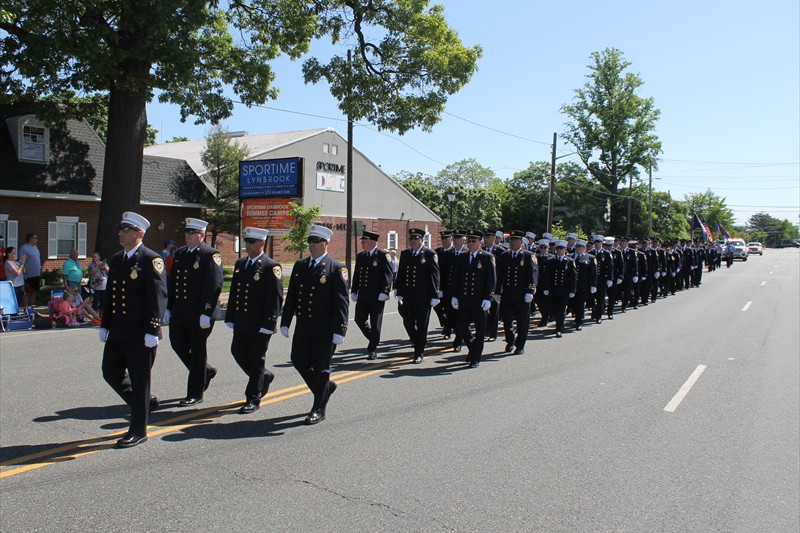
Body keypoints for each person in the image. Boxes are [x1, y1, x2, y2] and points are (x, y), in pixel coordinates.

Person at [99, 212, 167, 448]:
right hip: (118, 331)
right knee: (110, 372)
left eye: (125, 229)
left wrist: (153, 329)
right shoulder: (117, 259)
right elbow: (111, 295)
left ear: (138, 234)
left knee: (140, 381)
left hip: (141, 334)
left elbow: (158, 297)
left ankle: (139, 430)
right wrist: (105, 323)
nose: (120, 233)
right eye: (120, 229)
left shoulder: (151, 259)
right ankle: (144, 403)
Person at [280, 225, 349, 425]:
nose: (312, 245)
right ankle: (325, 389)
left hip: (325, 329)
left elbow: (341, 301)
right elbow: (292, 295)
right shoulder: (300, 265)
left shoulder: (335, 268)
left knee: (320, 368)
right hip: (304, 325)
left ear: (326, 243)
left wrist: (340, 329)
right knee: (298, 360)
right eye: (310, 241)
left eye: (317, 241)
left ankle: (319, 408)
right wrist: (286, 321)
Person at [164, 218, 223, 407]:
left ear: (201, 235)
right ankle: (205, 371)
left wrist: (207, 311)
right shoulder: (180, 254)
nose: (188, 236)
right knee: (177, 344)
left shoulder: (210, 254)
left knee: (198, 352)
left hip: (200, 314)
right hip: (180, 311)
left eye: (192, 233)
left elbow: (214, 285)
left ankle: (195, 393)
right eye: (186, 233)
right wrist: (168, 306)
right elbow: (173, 282)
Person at [225, 227, 283, 414]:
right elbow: (234, 292)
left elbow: (275, 297)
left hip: (260, 324)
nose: (247, 245)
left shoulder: (270, 266)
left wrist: (270, 323)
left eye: (251, 242)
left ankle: (253, 397)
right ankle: (263, 377)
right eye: (246, 241)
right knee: (237, 352)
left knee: (257, 360)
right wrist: (231, 316)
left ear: (261, 243)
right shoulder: (241, 264)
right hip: (242, 320)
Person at [450, 230, 496, 368]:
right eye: (469, 241)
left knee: (480, 330)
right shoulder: (462, 257)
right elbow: (456, 278)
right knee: (462, 327)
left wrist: (489, 297)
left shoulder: (487, 257)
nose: (471, 243)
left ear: (480, 243)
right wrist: (454, 295)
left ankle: (475, 357)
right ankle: (473, 348)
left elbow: (491, 280)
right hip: (464, 299)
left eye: (474, 241)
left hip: (479, 301)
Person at [394, 228, 440, 363]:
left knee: (422, 325)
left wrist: (435, 294)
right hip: (408, 295)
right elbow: (401, 272)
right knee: (407, 321)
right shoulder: (405, 253)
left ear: (421, 240)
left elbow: (435, 276)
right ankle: (418, 340)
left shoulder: (429, 254)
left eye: (415, 239)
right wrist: (397, 288)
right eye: (411, 239)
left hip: (423, 297)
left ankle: (418, 353)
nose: (412, 241)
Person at [350, 230, 393, 360]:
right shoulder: (361, 256)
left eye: (364, 241)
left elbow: (388, 274)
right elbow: (357, 274)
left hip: (377, 296)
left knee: (376, 323)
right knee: (359, 319)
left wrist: (385, 291)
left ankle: (372, 349)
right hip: (363, 295)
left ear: (371, 242)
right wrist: (354, 290)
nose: (362, 243)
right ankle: (374, 339)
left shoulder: (382, 255)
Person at [495, 230, 536, 354]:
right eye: (511, 240)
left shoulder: (528, 256)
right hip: (507, 294)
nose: (512, 242)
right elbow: (499, 275)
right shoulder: (504, 256)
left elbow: (533, 275)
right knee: (507, 320)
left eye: (515, 240)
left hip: (522, 295)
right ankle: (510, 340)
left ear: (520, 242)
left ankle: (520, 345)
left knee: (522, 321)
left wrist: (530, 290)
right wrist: (496, 292)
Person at [542, 240, 577, 338]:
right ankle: (558, 324)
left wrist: (572, 290)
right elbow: (546, 276)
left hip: (564, 290)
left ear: (565, 249)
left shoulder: (570, 261)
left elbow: (573, 277)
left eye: (561, 248)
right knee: (554, 308)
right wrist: (546, 288)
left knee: (561, 310)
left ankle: (559, 328)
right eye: (557, 248)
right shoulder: (550, 260)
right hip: (553, 289)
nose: (559, 250)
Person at [572, 239, 597, 331]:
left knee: (580, 303)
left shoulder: (590, 258)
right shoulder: (571, 257)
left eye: (580, 247)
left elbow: (593, 273)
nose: (578, 248)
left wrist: (593, 285)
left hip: (583, 286)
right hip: (571, 286)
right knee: (572, 304)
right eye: (577, 247)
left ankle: (579, 321)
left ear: (584, 248)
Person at [19, 233, 42, 308]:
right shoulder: (24, 248)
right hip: (28, 275)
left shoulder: (35, 247)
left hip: (36, 274)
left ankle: (32, 309)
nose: (37, 240)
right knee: (27, 293)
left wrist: (40, 268)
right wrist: (24, 273)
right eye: (35, 238)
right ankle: (26, 310)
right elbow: (21, 261)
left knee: (34, 292)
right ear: (30, 239)